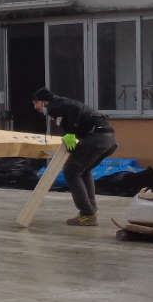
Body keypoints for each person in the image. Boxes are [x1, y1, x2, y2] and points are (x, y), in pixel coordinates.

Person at [31, 87, 117, 227]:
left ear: (44, 101)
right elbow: (77, 115)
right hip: (109, 140)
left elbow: (73, 111)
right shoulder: (62, 103)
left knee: (71, 172)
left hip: (96, 139)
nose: (35, 107)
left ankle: (87, 214)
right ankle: (90, 212)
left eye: (36, 103)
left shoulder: (55, 106)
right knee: (83, 171)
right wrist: (73, 134)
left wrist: (71, 133)